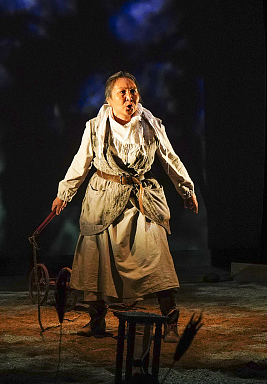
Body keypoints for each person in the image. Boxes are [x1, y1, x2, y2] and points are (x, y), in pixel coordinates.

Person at [52, 71, 198, 342]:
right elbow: (80, 162)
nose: (129, 97)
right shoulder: (95, 127)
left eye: (133, 91)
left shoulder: (151, 125)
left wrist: (186, 190)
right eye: (123, 92)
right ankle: (96, 322)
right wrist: (65, 193)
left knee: (158, 259)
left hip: (142, 200)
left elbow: (170, 158)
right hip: (103, 200)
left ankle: (171, 323)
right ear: (109, 99)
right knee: (97, 261)